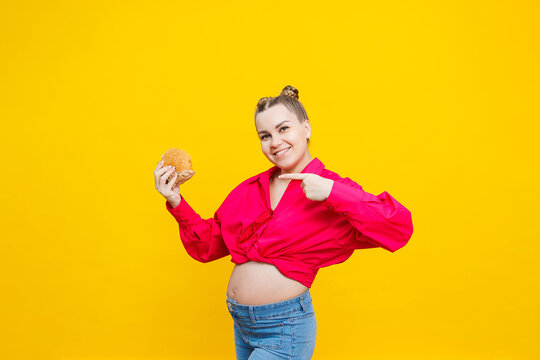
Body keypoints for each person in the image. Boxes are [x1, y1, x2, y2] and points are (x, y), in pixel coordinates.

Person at [153, 85, 414, 359]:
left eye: (283, 129)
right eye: (265, 135)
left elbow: (398, 227)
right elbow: (207, 245)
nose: (274, 142)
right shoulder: (250, 189)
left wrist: (331, 193)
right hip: (243, 326)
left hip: (285, 328)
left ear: (307, 128)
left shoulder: (334, 189)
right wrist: (176, 200)